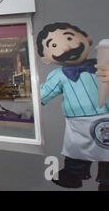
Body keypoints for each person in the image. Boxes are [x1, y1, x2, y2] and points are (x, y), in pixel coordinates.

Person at [36, 22, 109, 191]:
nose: (67, 46)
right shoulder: (58, 75)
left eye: (69, 38)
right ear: (46, 59)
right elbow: (43, 94)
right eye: (54, 45)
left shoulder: (101, 66)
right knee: (76, 148)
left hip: (106, 116)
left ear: (87, 39)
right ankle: (73, 174)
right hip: (78, 123)